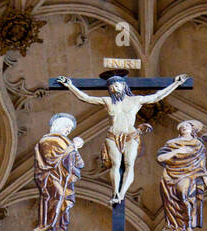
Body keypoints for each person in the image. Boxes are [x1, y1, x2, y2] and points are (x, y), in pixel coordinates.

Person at [55, 72, 189, 202]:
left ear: (124, 86)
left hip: (131, 136)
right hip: (113, 136)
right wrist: (70, 85)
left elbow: (157, 96)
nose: (114, 89)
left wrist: (176, 83)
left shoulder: (136, 100)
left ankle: (122, 194)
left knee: (129, 164)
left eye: (116, 85)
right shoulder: (107, 101)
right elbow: (86, 98)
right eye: (111, 87)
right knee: (116, 164)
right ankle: (115, 193)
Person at [34, 113, 84, 231]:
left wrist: (74, 149)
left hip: (62, 178)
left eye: (70, 128)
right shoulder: (48, 140)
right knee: (58, 196)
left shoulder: (66, 142)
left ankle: (57, 227)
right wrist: (73, 147)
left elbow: (79, 164)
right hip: (50, 177)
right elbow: (51, 159)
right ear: (59, 125)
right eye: (66, 126)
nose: (68, 130)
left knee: (65, 203)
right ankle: (48, 225)